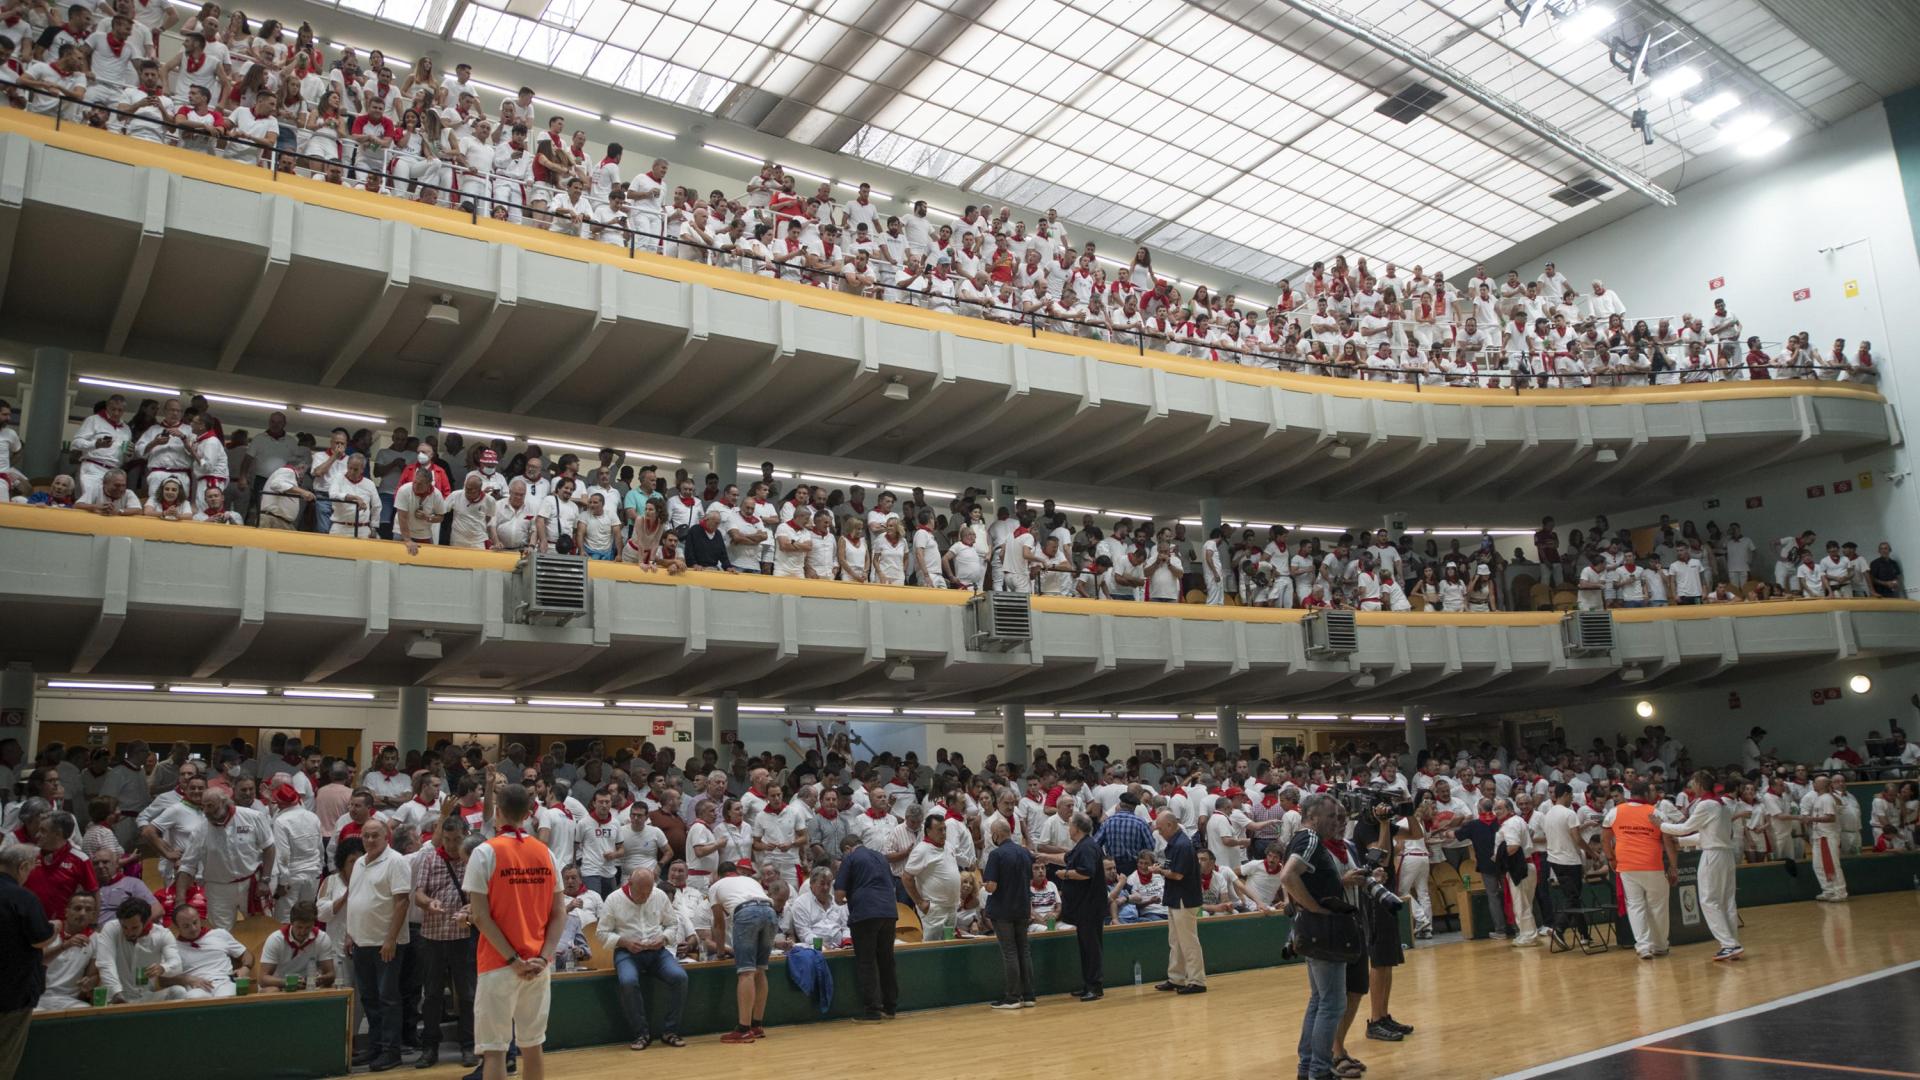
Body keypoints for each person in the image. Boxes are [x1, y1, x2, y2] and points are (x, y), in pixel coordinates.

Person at [464, 783, 565, 1080]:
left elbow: (479, 917)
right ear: (528, 814)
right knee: (532, 1047)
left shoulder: (484, 852)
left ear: (497, 811)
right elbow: (559, 913)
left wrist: (512, 960)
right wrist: (544, 958)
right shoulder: (546, 853)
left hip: (498, 964)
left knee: (495, 1052)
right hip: (538, 966)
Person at [1280, 794, 1362, 1080]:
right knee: (1332, 1004)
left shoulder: (1301, 839)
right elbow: (1288, 876)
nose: (1335, 822)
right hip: (1323, 932)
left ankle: (1308, 1068)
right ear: (1312, 817)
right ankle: (1319, 1070)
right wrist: (1314, 908)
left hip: (1312, 930)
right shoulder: (1311, 839)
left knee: (1319, 1001)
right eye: (1330, 817)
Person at [346, 818, 417, 1071]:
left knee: (387, 998)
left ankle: (391, 1050)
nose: (370, 840)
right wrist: (350, 933)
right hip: (361, 941)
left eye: (375, 835)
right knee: (369, 998)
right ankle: (375, 1046)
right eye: (366, 835)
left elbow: (402, 902)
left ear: (387, 836)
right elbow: (355, 898)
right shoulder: (359, 863)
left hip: (385, 943)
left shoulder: (396, 861)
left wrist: (390, 939)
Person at [599, 866, 689, 1050]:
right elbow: (601, 933)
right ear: (629, 884)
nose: (645, 897)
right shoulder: (613, 899)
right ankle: (641, 1034)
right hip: (627, 952)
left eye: (649, 892)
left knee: (680, 977)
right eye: (641, 893)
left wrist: (663, 938)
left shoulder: (659, 895)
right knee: (628, 981)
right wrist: (624, 942)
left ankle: (670, 1031)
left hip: (657, 952)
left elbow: (672, 924)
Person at [1660, 770, 1742, 960]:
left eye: (1693, 782)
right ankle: (1733, 943)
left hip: (1712, 855)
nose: (1690, 786)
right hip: (1726, 855)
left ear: (1699, 784)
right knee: (1727, 901)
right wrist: (1680, 842)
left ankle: (1728, 945)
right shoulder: (1722, 804)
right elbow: (1709, 834)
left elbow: (1685, 828)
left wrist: (1661, 825)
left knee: (1709, 900)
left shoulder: (1705, 804)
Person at [1603, 779, 1680, 959]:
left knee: (1635, 906)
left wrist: (1611, 858)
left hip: (1626, 866)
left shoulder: (1615, 812)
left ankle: (1643, 947)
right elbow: (1668, 842)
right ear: (1646, 794)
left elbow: (1605, 839)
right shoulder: (1656, 813)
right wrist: (1673, 866)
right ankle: (1660, 945)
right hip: (1652, 865)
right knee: (1658, 906)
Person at [0, 843, 55, 1069]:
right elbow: (39, 939)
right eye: (31, 869)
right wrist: (56, 928)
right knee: (4, 1058)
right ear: (22, 866)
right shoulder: (23, 898)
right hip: (12, 994)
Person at [708, 861, 776, 1043]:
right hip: (770, 912)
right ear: (735, 872)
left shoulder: (716, 886)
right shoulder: (750, 880)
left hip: (746, 913)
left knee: (746, 972)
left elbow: (719, 924)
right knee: (760, 969)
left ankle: (744, 1029)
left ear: (719, 875)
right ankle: (757, 1025)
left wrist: (720, 952)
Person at [1040, 812, 1104, 1000]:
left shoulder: (1087, 847)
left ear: (1076, 828)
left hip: (1089, 907)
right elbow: (1066, 858)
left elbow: (1086, 872)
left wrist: (1065, 875)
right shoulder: (1082, 846)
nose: (1068, 828)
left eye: (1069, 825)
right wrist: (1044, 857)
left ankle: (1095, 986)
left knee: (1091, 947)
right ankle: (1088, 984)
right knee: (1085, 946)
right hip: (1084, 907)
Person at [833, 836, 898, 1022]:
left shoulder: (850, 858)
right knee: (886, 960)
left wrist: (846, 899)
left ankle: (872, 1011)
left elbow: (839, 895)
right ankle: (890, 1007)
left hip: (865, 913)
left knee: (866, 961)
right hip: (889, 911)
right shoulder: (881, 857)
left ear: (847, 848)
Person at [980, 820, 1035, 1009]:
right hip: (1023, 908)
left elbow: (992, 886)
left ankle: (1012, 997)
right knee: (1024, 951)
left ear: (996, 835)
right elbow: (1030, 879)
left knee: (1010, 952)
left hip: (1003, 910)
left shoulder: (996, 855)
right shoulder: (1025, 852)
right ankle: (1029, 995)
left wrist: (985, 885)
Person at [1151, 811, 1206, 993]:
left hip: (1184, 899)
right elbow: (1172, 868)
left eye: (1160, 829)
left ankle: (1197, 981)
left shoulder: (1182, 845)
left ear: (1170, 825)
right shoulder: (1175, 844)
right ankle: (1176, 978)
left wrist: (1160, 871)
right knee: (1175, 941)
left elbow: (1177, 874)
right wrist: (1162, 868)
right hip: (1175, 897)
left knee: (1188, 941)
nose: (1159, 832)